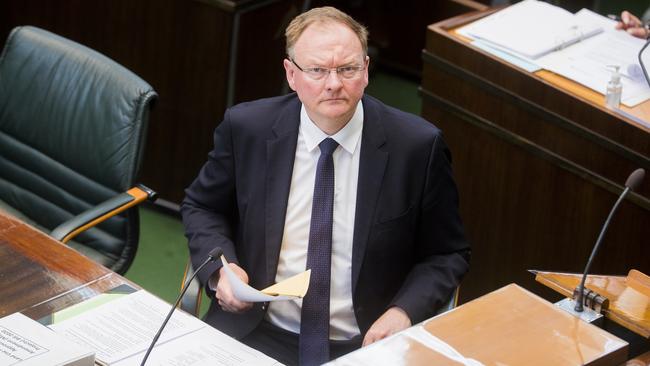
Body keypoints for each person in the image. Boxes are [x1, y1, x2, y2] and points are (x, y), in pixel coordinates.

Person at [181, 6, 470, 365]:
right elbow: (202, 206)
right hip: (255, 330)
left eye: (347, 69)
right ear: (291, 74)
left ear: (365, 70)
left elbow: (447, 253)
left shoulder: (417, 147)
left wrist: (402, 312)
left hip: (365, 343)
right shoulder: (247, 128)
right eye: (317, 70)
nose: (334, 83)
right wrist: (223, 270)